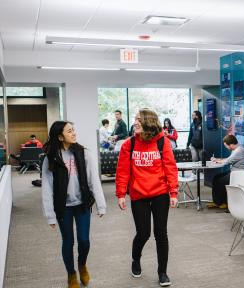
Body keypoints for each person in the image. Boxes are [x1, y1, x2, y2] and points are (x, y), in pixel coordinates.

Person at [116, 108, 178, 287]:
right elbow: (122, 171)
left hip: (160, 194)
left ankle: (162, 273)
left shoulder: (162, 142)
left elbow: (170, 167)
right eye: (135, 119)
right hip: (138, 194)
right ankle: (136, 259)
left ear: (148, 122)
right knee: (143, 233)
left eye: (138, 119)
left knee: (161, 233)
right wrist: (121, 194)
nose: (135, 122)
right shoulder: (129, 144)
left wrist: (173, 192)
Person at [41, 121, 106, 288]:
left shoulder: (84, 153)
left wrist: (101, 204)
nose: (74, 133)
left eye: (73, 130)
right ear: (60, 136)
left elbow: (94, 180)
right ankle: (71, 273)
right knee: (68, 241)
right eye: (70, 131)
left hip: (82, 203)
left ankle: (82, 264)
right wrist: (50, 215)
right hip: (63, 207)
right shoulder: (51, 158)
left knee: (84, 240)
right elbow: (47, 189)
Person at [208, 135, 244, 209]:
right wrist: (218, 159)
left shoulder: (239, 151)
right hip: (236, 172)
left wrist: (217, 160)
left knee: (220, 181)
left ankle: (223, 202)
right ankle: (217, 202)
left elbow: (226, 162)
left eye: (226, 146)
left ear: (231, 144)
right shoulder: (238, 148)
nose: (226, 147)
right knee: (216, 177)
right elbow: (229, 159)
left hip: (240, 174)